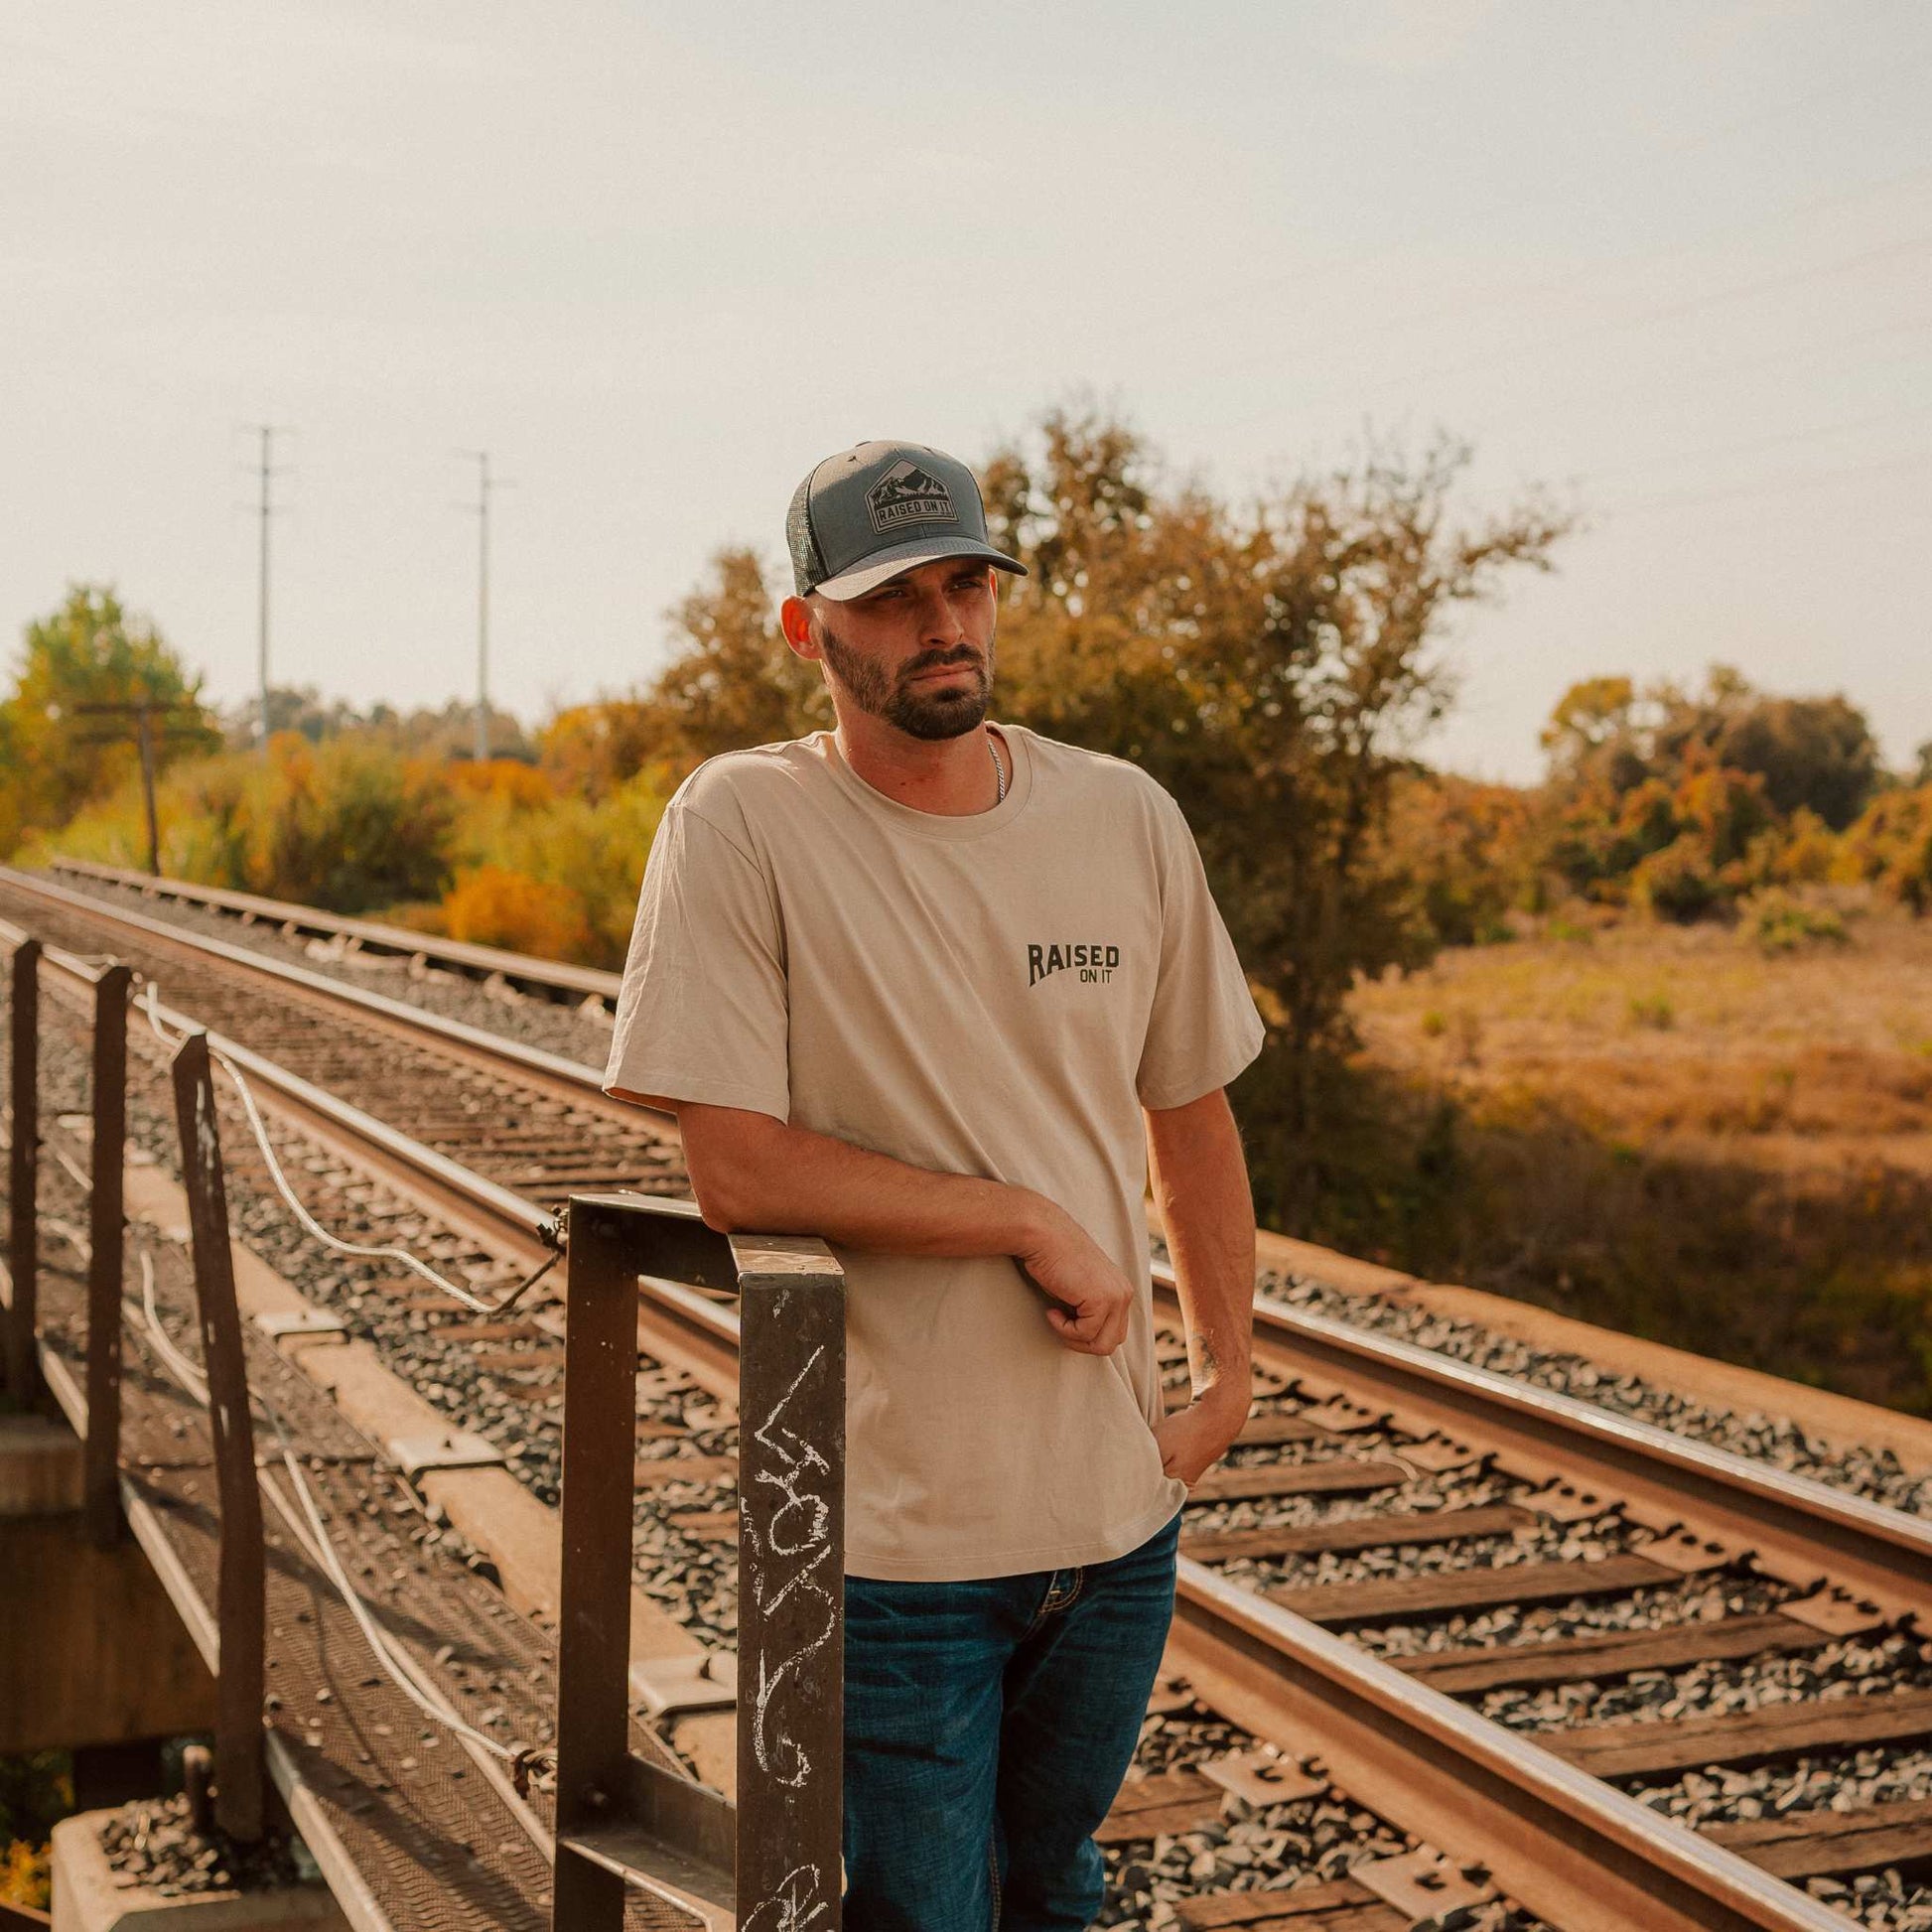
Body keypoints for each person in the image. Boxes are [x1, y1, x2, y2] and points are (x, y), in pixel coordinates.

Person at [605, 439, 1263, 1931]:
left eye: (964, 583)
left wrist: (1226, 1382)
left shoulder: (1122, 816)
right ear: (806, 628)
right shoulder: (741, 824)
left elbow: (1194, 1112)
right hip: (889, 1544)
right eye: (895, 597)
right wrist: (1024, 1215)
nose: (943, 621)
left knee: (1054, 1891)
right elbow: (734, 1166)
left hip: (1113, 1523)